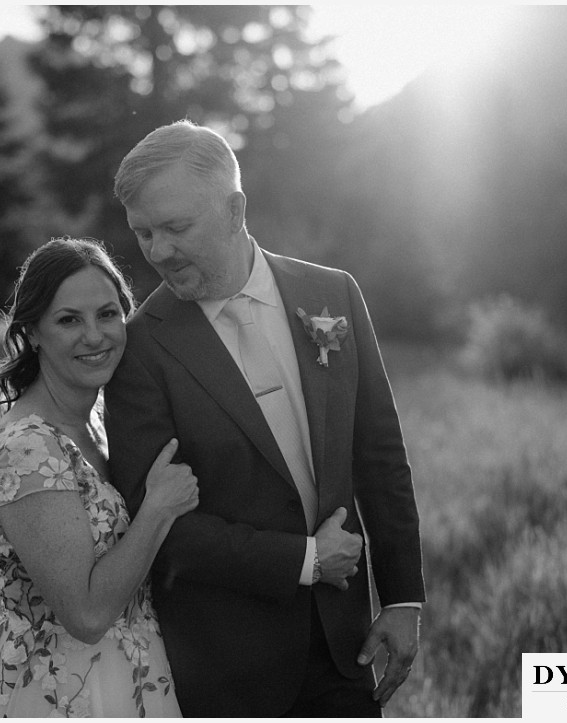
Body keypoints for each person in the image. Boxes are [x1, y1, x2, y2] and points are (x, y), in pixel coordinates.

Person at [104, 120, 426, 717]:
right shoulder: (141, 349)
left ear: (234, 210)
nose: (157, 252)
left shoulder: (334, 294)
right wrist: (303, 561)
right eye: (144, 233)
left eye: (176, 227)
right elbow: (158, 531)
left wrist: (403, 598)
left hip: (343, 649)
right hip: (226, 668)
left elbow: (379, 455)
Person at [0, 237, 199, 717]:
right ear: (33, 332)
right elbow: (84, 614)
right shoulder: (26, 449)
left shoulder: (103, 420)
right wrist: (159, 509)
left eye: (108, 314)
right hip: (62, 689)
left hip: (139, 676)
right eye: (69, 320)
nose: (95, 335)